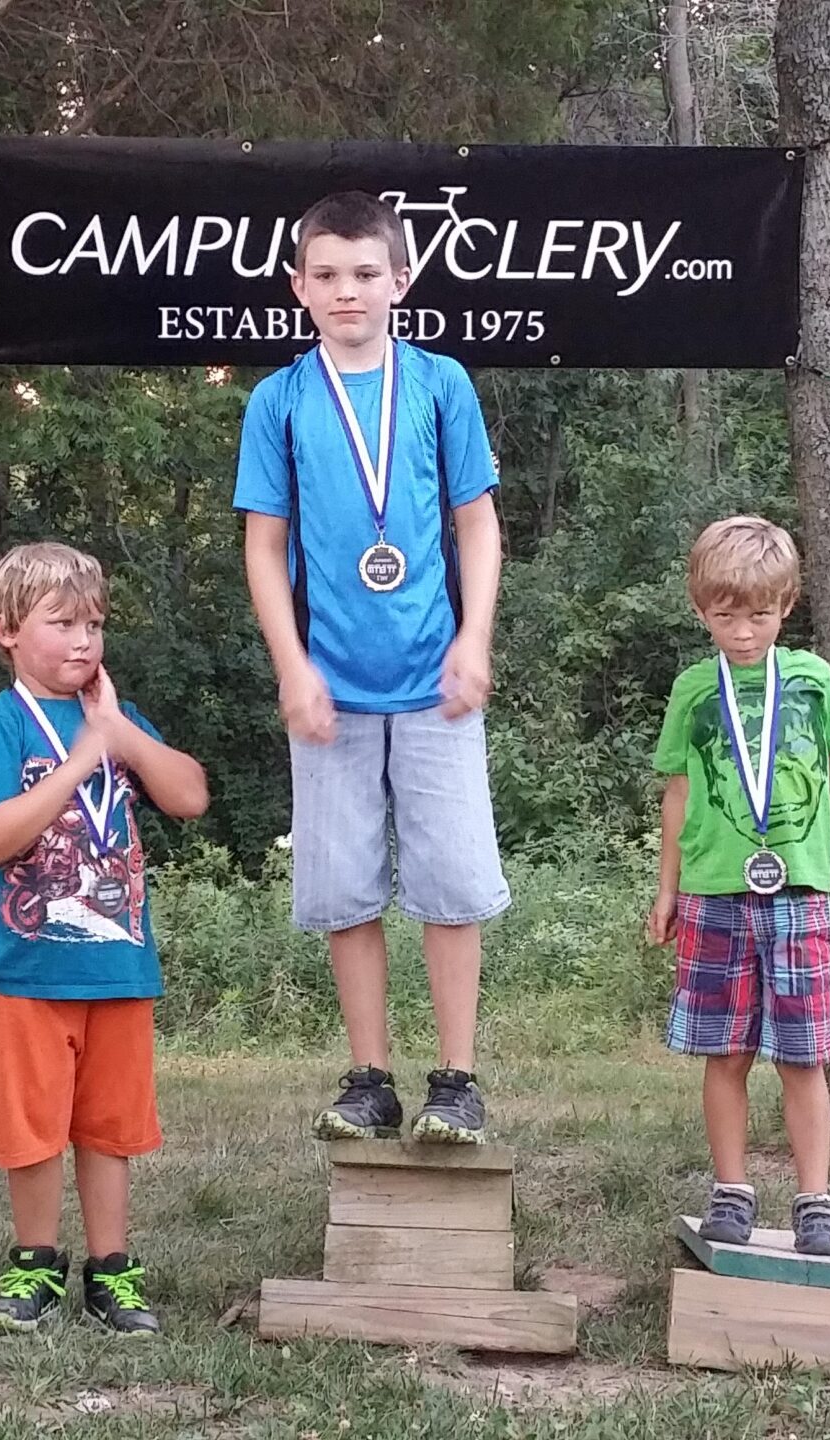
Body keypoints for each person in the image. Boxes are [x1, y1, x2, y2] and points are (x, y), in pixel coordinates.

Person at [234, 191, 507, 1145]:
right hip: (332, 693)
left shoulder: (440, 386)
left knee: (452, 883)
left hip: (436, 686)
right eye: (326, 275)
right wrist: (292, 666)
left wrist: (473, 640)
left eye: (364, 273)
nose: (346, 291)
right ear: (298, 286)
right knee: (345, 889)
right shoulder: (281, 400)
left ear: (400, 278)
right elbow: (265, 546)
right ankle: (369, 1079)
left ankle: (457, 1081)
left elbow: (477, 524)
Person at [0, 542, 208, 1334]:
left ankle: (112, 1271)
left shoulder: (117, 720)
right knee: (31, 1129)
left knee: (109, 1127)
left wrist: (118, 737)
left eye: (93, 623)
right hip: (24, 971)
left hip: (119, 969)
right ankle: (34, 1264)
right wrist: (78, 763)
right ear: (6, 629)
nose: (83, 641)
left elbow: (189, 796)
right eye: (61, 623)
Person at [645, 517, 830, 1256]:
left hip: (800, 894)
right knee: (726, 1052)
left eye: (759, 615)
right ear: (700, 610)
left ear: (786, 606)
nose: (744, 632)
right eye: (726, 616)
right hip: (713, 892)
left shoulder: (812, 679)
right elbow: (678, 792)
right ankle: (731, 1191)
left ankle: (815, 1200)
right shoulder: (694, 689)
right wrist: (666, 891)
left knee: (803, 1053)